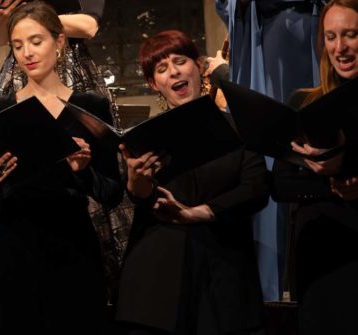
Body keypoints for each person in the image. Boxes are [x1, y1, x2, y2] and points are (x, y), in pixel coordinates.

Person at [214, 0, 352, 301]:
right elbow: (226, 2)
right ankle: (274, 287)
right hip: (266, 46)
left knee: (322, 135)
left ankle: (328, 270)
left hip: (313, 42)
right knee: (276, 150)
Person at [0, 1, 123, 333]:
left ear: (59, 42)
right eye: (17, 45)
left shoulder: (91, 106)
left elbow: (112, 194)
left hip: (72, 244)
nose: (27, 52)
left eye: (36, 41)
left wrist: (84, 170)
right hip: (13, 247)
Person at [115, 31, 268, 334]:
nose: (173, 72)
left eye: (180, 61)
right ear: (153, 84)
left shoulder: (239, 127)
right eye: (161, 69)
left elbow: (256, 189)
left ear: (199, 67)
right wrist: (136, 182)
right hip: (159, 280)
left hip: (225, 273)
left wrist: (197, 213)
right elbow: (142, 199)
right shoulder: (145, 137)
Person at [272, 0, 358, 334]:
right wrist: (329, 179)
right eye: (331, 37)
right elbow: (279, 185)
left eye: (351, 35)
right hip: (320, 257)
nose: (340, 48)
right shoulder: (304, 102)